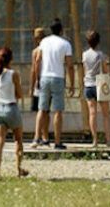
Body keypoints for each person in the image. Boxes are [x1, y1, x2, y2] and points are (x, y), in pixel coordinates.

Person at [33, 18, 74, 150]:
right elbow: (69, 65)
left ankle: (37, 138)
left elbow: (37, 60)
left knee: (42, 109)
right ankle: (57, 141)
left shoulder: (44, 42)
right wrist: (72, 83)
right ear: (61, 30)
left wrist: (38, 78)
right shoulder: (66, 44)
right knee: (58, 111)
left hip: (44, 76)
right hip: (58, 77)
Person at [0, 47, 29, 179]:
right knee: (18, 140)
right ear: (11, 59)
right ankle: (18, 169)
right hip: (11, 108)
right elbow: (19, 94)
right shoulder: (13, 74)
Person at [82, 30, 110, 147]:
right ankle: (108, 139)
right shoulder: (101, 55)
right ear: (98, 42)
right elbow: (105, 70)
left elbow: (85, 69)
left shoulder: (84, 55)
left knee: (92, 113)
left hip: (88, 84)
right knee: (105, 114)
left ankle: (95, 140)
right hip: (99, 85)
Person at [28, 27, 49, 148]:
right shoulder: (47, 50)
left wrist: (32, 85)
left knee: (40, 110)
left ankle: (39, 136)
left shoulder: (36, 51)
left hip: (39, 82)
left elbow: (33, 70)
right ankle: (45, 136)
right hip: (46, 81)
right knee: (46, 111)